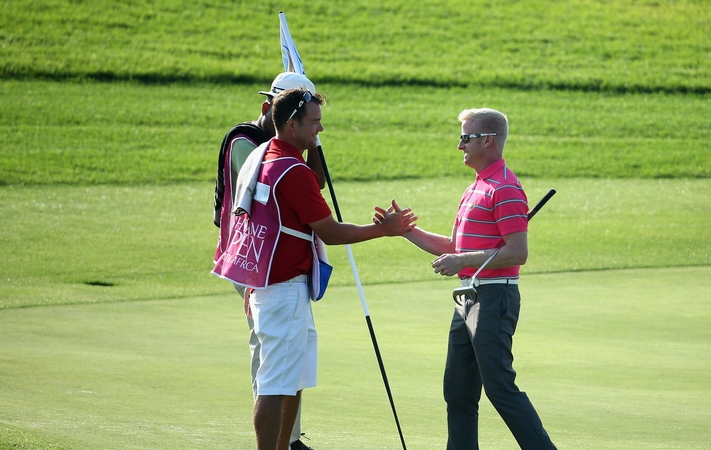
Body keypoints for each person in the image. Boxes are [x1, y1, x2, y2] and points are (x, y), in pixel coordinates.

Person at [227, 87, 416, 450]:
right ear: (292, 124)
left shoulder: (267, 156)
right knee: (274, 385)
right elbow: (329, 232)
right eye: (314, 123)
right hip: (283, 290)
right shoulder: (292, 170)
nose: (320, 130)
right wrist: (384, 229)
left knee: (293, 380)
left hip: (280, 286)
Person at [387, 108, 556, 449]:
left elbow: (517, 252)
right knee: (458, 391)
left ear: (487, 141)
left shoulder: (505, 188)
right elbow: (453, 247)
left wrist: (462, 260)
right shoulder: (476, 188)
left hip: (494, 296)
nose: (459, 145)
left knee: (499, 387)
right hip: (468, 298)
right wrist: (406, 231)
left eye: (466, 138)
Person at [212, 72, 325, 450]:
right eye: (311, 120)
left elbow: (313, 185)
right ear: (276, 111)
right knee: (271, 362)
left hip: (272, 260)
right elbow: (269, 200)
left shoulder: (287, 152)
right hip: (252, 259)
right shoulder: (247, 143)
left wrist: (314, 141)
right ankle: (278, 443)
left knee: (288, 364)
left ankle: (288, 441)